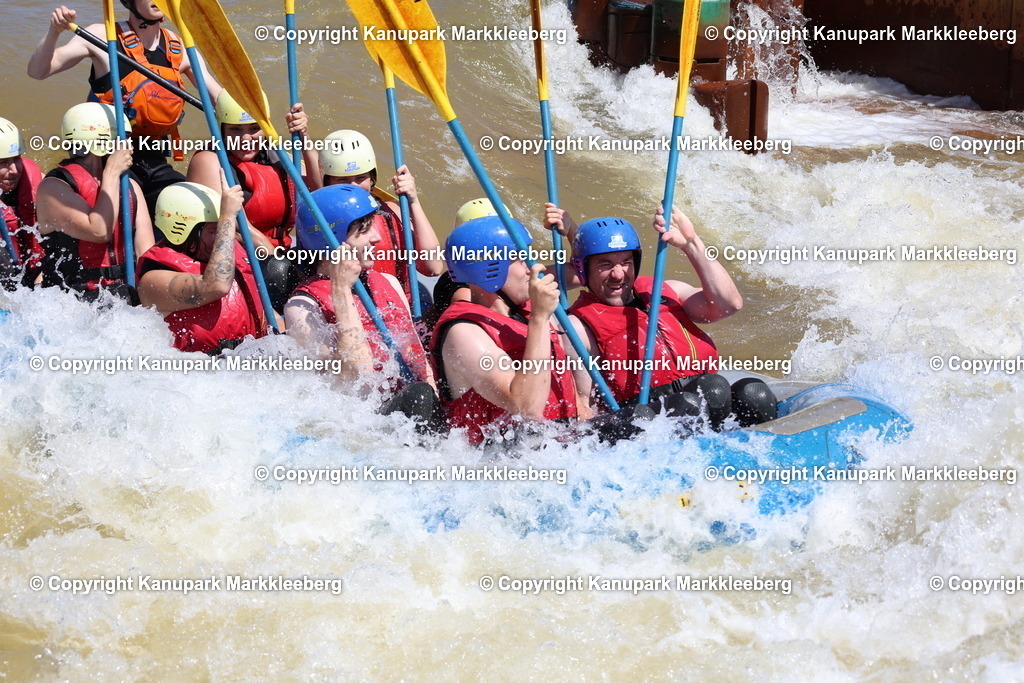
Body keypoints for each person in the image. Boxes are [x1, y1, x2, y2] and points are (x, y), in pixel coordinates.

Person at [557, 205, 777, 428]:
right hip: (646, 418)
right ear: (583, 269)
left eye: (626, 262)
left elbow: (728, 305)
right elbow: (583, 407)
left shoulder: (669, 291)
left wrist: (691, 244)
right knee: (704, 394)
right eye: (605, 265)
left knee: (754, 394)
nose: (618, 274)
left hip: (707, 397)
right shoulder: (577, 328)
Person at [28, 2, 223, 214]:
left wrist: (246, 116)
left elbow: (218, 99)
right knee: (129, 201)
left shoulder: (181, 49)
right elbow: (38, 71)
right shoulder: (103, 36)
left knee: (188, 207)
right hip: (105, 158)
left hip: (153, 158)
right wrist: (54, 31)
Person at [284, 183, 441, 430]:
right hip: (362, 423)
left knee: (425, 394)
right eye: (364, 231)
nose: (377, 237)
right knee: (418, 397)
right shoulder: (302, 308)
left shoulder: (389, 282)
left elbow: (418, 359)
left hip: (405, 407)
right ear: (333, 241)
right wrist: (341, 290)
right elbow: (355, 380)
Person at [430, 216, 592, 445]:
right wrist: (540, 318)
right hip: (500, 456)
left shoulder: (525, 311)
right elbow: (526, 407)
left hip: (558, 441)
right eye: (519, 258)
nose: (532, 267)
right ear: (488, 269)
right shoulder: (463, 333)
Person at [186, 90, 314, 311]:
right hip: (239, 255)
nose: (246, 139)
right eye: (235, 129)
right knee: (280, 271)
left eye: (254, 128)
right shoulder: (209, 160)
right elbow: (235, 226)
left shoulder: (275, 155)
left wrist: (305, 139)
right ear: (221, 129)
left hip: (278, 252)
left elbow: (317, 195)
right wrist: (277, 258)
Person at [136, 174, 273, 353]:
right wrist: (226, 218)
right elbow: (217, 286)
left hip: (251, 357)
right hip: (202, 367)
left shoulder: (224, 249)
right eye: (214, 230)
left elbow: (270, 258)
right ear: (184, 233)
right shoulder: (153, 280)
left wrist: (238, 219)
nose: (225, 236)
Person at [36, 102, 154, 303]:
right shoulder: (53, 187)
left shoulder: (130, 186)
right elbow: (99, 231)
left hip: (123, 294)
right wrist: (112, 172)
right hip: (71, 298)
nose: (128, 146)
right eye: (122, 139)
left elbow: (146, 254)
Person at [319, 129, 443, 300]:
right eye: (342, 180)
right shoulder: (320, 216)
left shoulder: (391, 211)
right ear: (327, 181)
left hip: (394, 306)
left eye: (360, 178)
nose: (353, 187)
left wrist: (413, 201)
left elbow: (433, 267)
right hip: (345, 304)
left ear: (372, 178)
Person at [0, 117, 45, 288]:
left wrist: (43, 274)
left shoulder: (41, 182)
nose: (14, 170)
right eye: (4, 162)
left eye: (16, 159)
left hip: (35, 275)